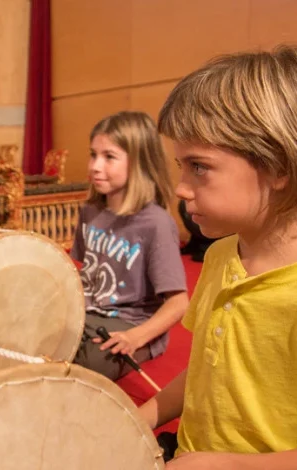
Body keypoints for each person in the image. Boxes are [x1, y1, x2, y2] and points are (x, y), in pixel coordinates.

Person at [138, 46, 297, 468]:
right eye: (180, 167)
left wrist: (226, 464)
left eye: (199, 167)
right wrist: (139, 418)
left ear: (277, 164)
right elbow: (209, 377)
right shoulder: (221, 256)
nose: (181, 188)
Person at [70, 111, 189, 381]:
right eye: (93, 155)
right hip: (87, 312)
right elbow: (80, 271)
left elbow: (179, 303)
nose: (95, 166)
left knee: (90, 367)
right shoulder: (90, 211)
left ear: (139, 163)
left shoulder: (155, 223)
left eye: (109, 157)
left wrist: (135, 338)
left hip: (130, 323)